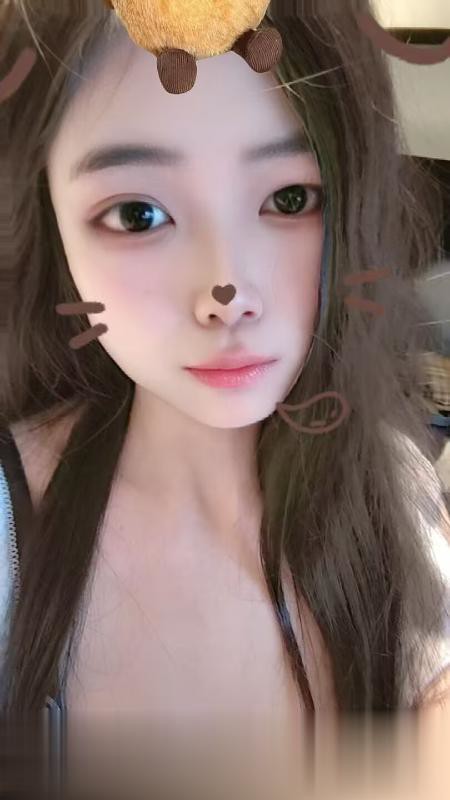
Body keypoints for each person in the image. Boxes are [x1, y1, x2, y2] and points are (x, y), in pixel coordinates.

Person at [0, 0, 449, 795]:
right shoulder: (11, 529)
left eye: (290, 199)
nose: (226, 293)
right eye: (138, 214)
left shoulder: (396, 484)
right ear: (50, 222)